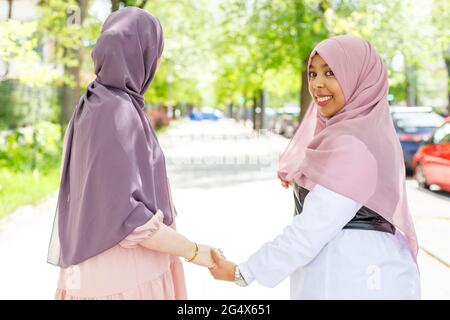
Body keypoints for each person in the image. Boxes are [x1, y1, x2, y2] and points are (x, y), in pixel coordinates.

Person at [209, 35, 421, 300]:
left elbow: (310, 230)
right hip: (351, 272)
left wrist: (243, 272)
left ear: (358, 77)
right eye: (312, 73)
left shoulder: (355, 146)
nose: (317, 83)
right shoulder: (357, 135)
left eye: (331, 72)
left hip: (355, 278)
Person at [47, 7, 215, 300]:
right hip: (125, 281)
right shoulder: (117, 111)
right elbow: (131, 220)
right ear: (142, 54)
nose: (159, 61)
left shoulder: (93, 104)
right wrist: (195, 251)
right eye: (156, 51)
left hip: (91, 275)